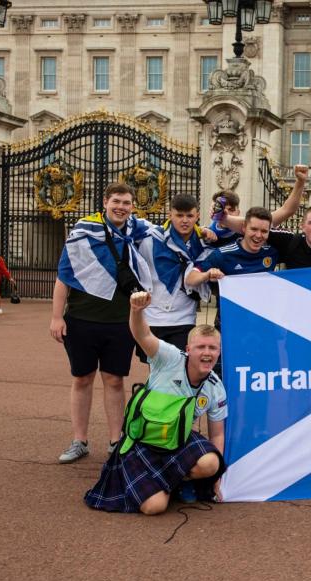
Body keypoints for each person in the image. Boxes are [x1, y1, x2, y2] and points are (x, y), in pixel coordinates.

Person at [84, 291, 226, 515]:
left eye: (213, 348)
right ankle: (165, 483)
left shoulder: (215, 387)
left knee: (211, 463)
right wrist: (136, 310)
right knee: (154, 507)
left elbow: (217, 434)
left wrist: (216, 478)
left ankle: (172, 480)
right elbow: (143, 335)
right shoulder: (169, 358)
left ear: (219, 352)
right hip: (144, 440)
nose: (207, 353)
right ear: (189, 350)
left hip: (177, 438)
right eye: (201, 347)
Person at [51, 182, 153, 464]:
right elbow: (64, 276)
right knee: (82, 378)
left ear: (133, 206)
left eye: (127, 202)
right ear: (105, 202)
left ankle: (115, 441)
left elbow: (175, 233)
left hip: (121, 321)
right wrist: (56, 317)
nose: (121, 207)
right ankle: (79, 440)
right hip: (82, 318)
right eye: (116, 201)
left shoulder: (140, 231)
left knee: (114, 380)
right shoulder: (83, 231)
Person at [133, 193, 215, 363]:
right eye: (179, 215)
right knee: (156, 372)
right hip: (153, 317)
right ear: (170, 215)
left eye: (190, 216)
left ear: (197, 216)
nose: (184, 220)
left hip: (183, 318)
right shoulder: (149, 239)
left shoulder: (203, 244)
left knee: (179, 370)